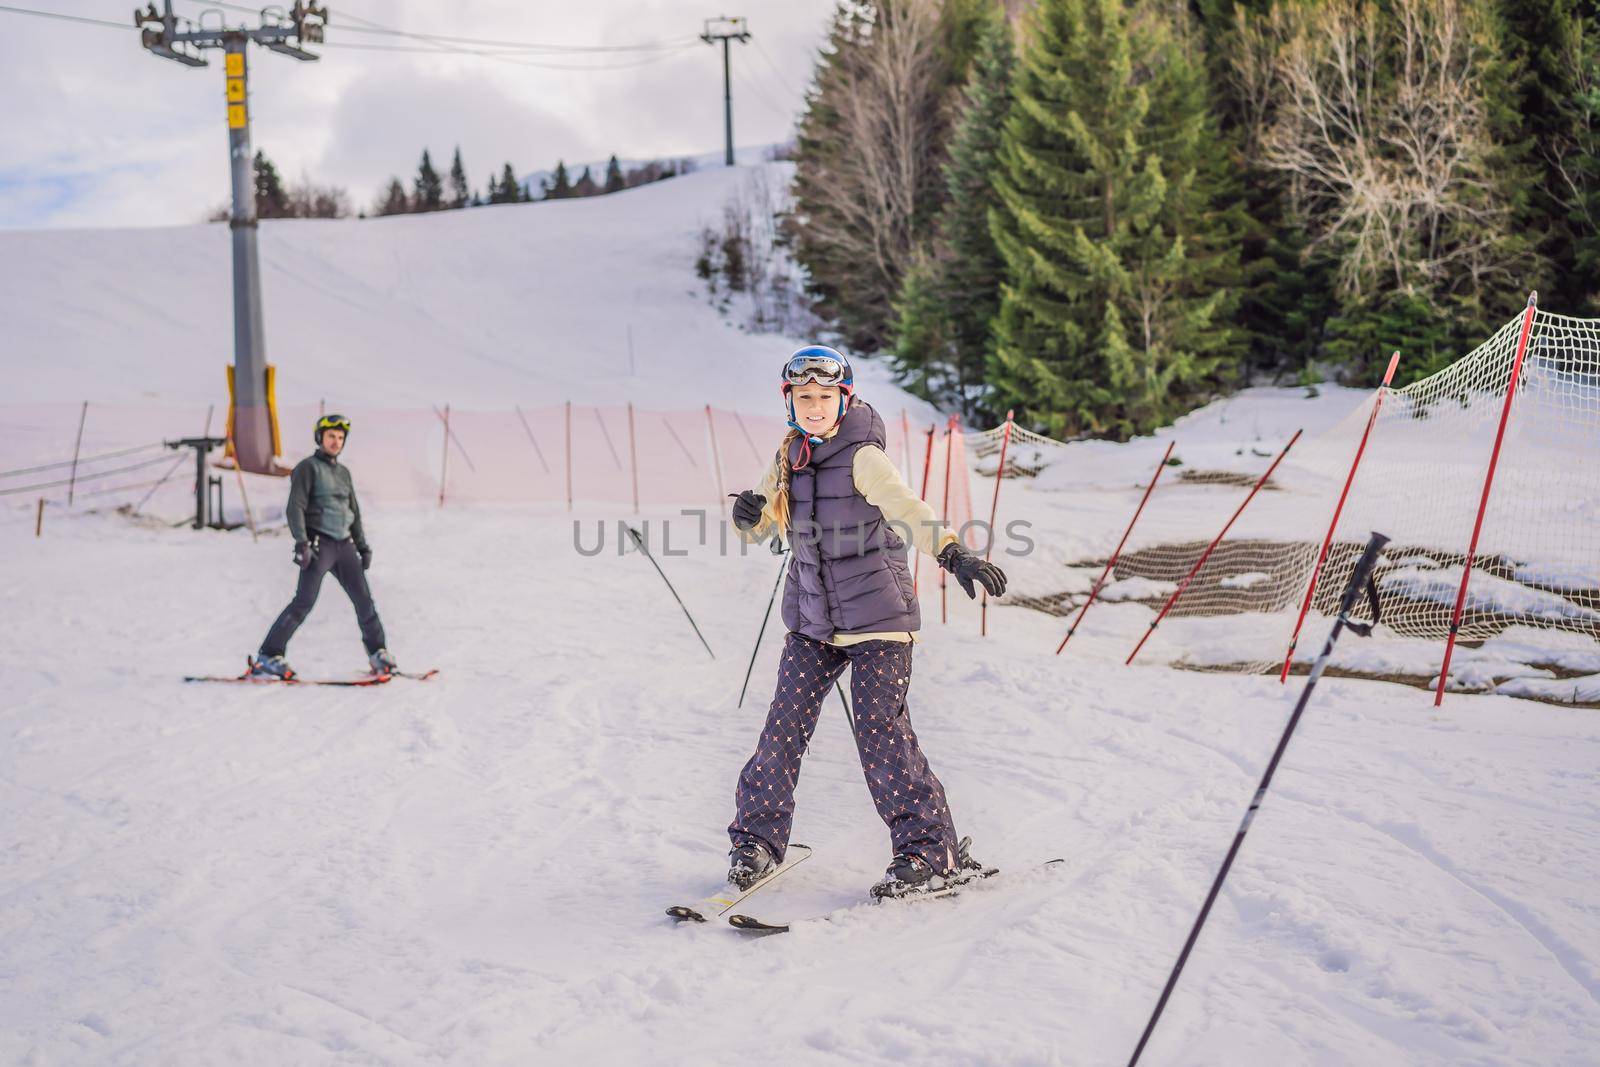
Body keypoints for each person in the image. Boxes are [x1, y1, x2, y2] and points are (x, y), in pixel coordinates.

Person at [726, 346, 1008, 899]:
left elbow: (908, 507)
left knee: (881, 735)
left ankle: (930, 853)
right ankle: (756, 842)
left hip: (878, 619)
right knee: (781, 732)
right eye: (803, 397)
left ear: (843, 398)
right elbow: (762, 529)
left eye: (824, 396)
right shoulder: (789, 454)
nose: (814, 406)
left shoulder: (863, 456)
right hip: (814, 621)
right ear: (790, 402)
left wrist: (953, 553)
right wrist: (747, 518)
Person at [249, 414, 397, 680]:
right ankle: (269, 655)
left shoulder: (343, 473)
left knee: (364, 601)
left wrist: (362, 546)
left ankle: (379, 654)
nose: (336, 442)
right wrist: (302, 543)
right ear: (320, 438)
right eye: (331, 436)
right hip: (319, 546)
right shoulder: (308, 468)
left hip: (345, 546)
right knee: (304, 602)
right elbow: (295, 507)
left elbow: (353, 511)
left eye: (340, 438)